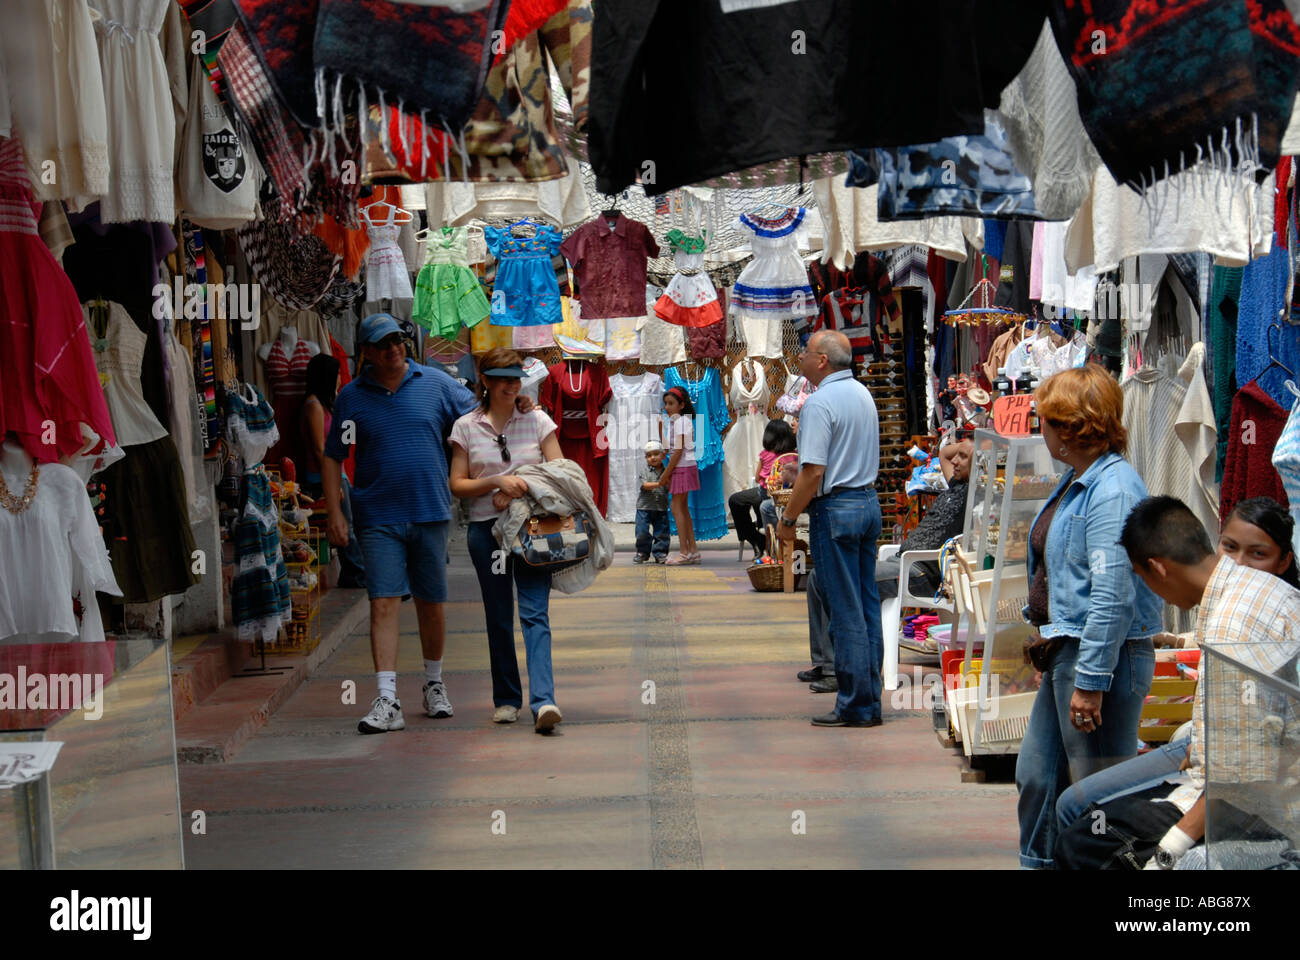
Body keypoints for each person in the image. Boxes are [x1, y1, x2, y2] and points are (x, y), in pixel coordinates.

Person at [1054, 496, 1300, 870]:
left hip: (1263, 809)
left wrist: (1167, 854)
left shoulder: (1231, 627)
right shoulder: (1245, 589)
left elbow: (1235, 786)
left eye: (1142, 579)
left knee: (1083, 843)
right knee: (1082, 812)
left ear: (1157, 569)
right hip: (1231, 780)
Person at [1015, 363, 1164, 868]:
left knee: (1098, 800)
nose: (1040, 428)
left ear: (1071, 427)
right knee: (1039, 775)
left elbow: (1113, 593)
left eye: (1046, 419)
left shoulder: (1113, 489)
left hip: (1098, 658)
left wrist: (1091, 679)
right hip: (1069, 652)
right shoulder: (1080, 480)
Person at [323, 313, 501, 735]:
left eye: (398, 341)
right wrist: (335, 512)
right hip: (377, 516)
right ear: (366, 352)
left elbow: (479, 418)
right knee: (383, 602)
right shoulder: (352, 397)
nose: (394, 348)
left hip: (430, 511)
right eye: (383, 344)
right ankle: (387, 698)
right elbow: (333, 455)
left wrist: (514, 405)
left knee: (430, 604)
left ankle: (434, 683)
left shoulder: (435, 384)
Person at [448, 348, 567, 732]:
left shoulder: (537, 420)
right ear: (485, 380)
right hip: (487, 534)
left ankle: (544, 701)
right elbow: (458, 484)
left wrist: (522, 486)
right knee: (498, 616)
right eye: (502, 377)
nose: (511, 384)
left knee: (535, 613)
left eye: (515, 377)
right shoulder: (465, 426)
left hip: (534, 528)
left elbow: (559, 473)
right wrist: (496, 482)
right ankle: (506, 699)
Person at [796, 437, 973, 694]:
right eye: (959, 457)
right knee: (816, 577)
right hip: (899, 560)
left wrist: (978, 451)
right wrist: (967, 444)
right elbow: (945, 453)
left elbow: (952, 458)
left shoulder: (975, 492)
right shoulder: (956, 484)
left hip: (919, 571)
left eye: (964, 458)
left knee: (833, 579)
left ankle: (838, 669)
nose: (955, 461)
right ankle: (825, 662)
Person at [778, 330, 884, 727]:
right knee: (865, 604)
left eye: (806, 353)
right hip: (866, 503)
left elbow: (814, 471)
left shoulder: (819, 402)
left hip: (836, 509)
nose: (801, 358)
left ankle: (856, 704)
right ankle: (869, 698)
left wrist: (788, 519)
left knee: (845, 611)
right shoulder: (862, 394)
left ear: (822, 360)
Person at [300, 353, 364, 588]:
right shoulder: (314, 406)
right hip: (324, 477)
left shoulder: (330, 403)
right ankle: (356, 573)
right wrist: (333, 483)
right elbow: (319, 448)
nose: (340, 377)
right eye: (336, 373)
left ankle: (354, 572)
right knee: (345, 526)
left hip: (340, 475)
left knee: (350, 525)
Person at [729, 419, 797, 560]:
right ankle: (759, 540)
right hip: (783, 492)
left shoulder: (765, 454)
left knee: (745, 501)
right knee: (740, 500)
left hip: (767, 490)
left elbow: (758, 476)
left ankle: (763, 539)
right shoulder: (793, 454)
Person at [661, 386, 700, 566]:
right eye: (666, 404)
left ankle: (684, 552)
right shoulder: (676, 422)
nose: (667, 407)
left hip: (682, 467)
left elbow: (677, 451)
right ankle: (692, 551)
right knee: (682, 508)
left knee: (677, 508)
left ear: (681, 405)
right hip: (684, 466)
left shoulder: (681, 422)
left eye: (671, 403)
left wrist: (665, 475)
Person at [635, 440, 670, 563]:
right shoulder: (644, 471)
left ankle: (660, 553)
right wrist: (660, 483)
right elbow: (645, 485)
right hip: (644, 507)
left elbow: (670, 487)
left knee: (662, 532)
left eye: (656, 454)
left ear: (663, 455)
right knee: (642, 531)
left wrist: (668, 482)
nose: (653, 457)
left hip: (661, 507)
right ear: (646, 458)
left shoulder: (667, 472)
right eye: (649, 455)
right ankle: (642, 552)